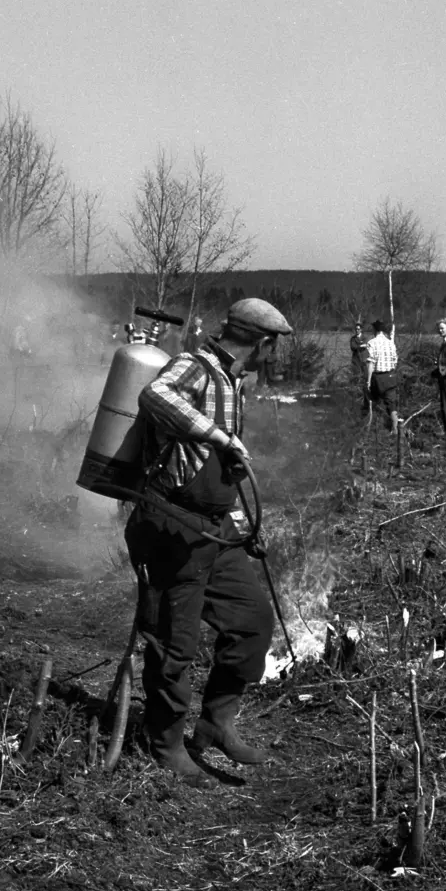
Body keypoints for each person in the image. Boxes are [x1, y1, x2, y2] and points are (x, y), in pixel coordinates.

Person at [126, 298, 292, 790]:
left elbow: (218, 475)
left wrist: (242, 525)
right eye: (274, 345)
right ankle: (167, 744)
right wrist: (219, 436)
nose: (274, 355)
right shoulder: (195, 366)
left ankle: (215, 723)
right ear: (261, 341)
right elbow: (155, 395)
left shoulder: (235, 383)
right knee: (174, 644)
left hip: (213, 531)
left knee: (252, 622)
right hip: (170, 530)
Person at [365, 317, 399, 427]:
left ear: (375, 330)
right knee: (391, 404)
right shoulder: (390, 343)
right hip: (391, 376)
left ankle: (371, 422)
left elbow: (371, 363)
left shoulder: (371, 343)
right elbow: (395, 360)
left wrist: (368, 381)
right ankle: (395, 428)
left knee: (370, 396)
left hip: (379, 378)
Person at [349, 320, 370, 412]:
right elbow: (353, 347)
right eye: (356, 329)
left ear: (361, 329)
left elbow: (366, 346)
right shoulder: (352, 339)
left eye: (358, 329)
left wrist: (360, 346)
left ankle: (366, 397)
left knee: (365, 379)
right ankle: (356, 395)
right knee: (356, 378)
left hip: (364, 361)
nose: (357, 330)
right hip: (356, 361)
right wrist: (360, 346)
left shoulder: (365, 337)